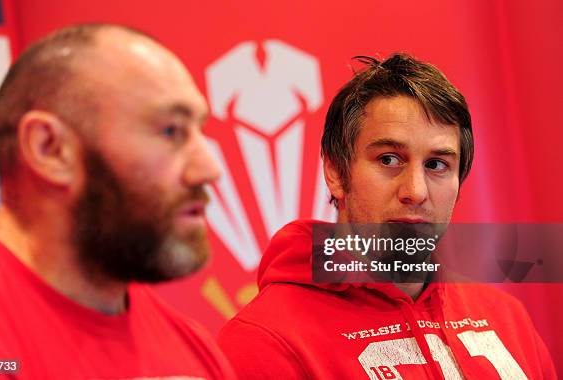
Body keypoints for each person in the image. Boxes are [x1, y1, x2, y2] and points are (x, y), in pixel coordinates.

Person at [217, 53, 556, 379]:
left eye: (437, 165)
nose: (416, 191)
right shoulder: (261, 343)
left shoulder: (506, 318)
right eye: (389, 159)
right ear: (335, 172)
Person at [0, 24, 236, 379]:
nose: (208, 169)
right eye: (170, 131)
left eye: (199, 130)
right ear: (50, 150)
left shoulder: (193, 347)